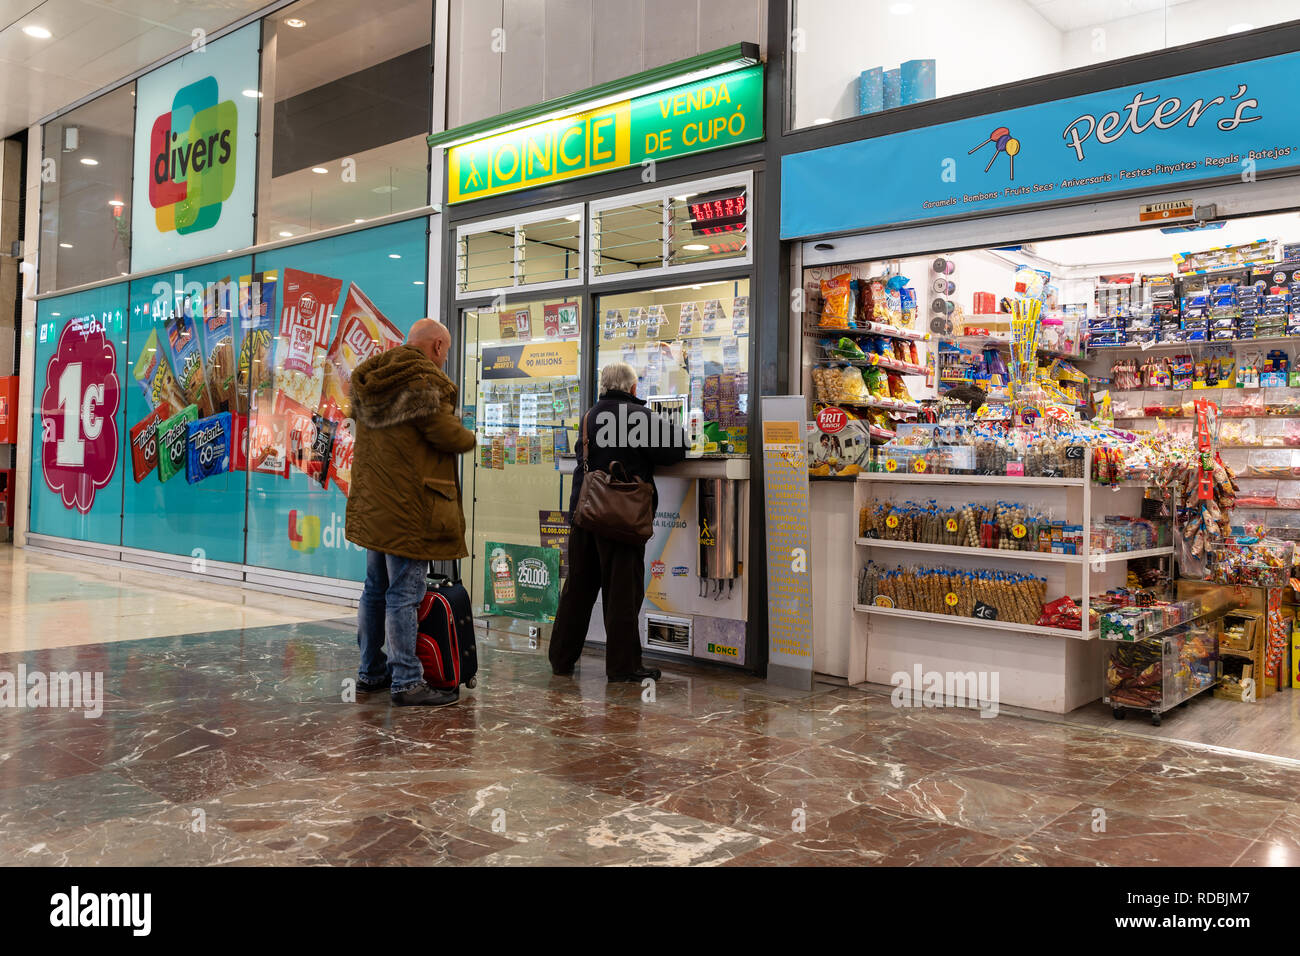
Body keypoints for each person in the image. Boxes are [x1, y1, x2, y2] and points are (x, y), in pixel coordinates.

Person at [346, 318, 476, 706]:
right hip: (408, 508)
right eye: (447, 352)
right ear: (436, 346)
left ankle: (371, 672)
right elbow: (447, 435)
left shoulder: (375, 379)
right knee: (405, 592)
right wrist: (470, 431)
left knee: (375, 589)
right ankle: (406, 681)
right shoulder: (423, 382)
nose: (445, 359)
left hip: (374, 505)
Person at [549, 362, 687, 682]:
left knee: (578, 590)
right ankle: (623, 666)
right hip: (622, 519)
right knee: (622, 593)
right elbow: (676, 449)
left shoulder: (589, 417)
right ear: (633, 389)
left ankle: (561, 659)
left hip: (585, 515)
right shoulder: (640, 417)